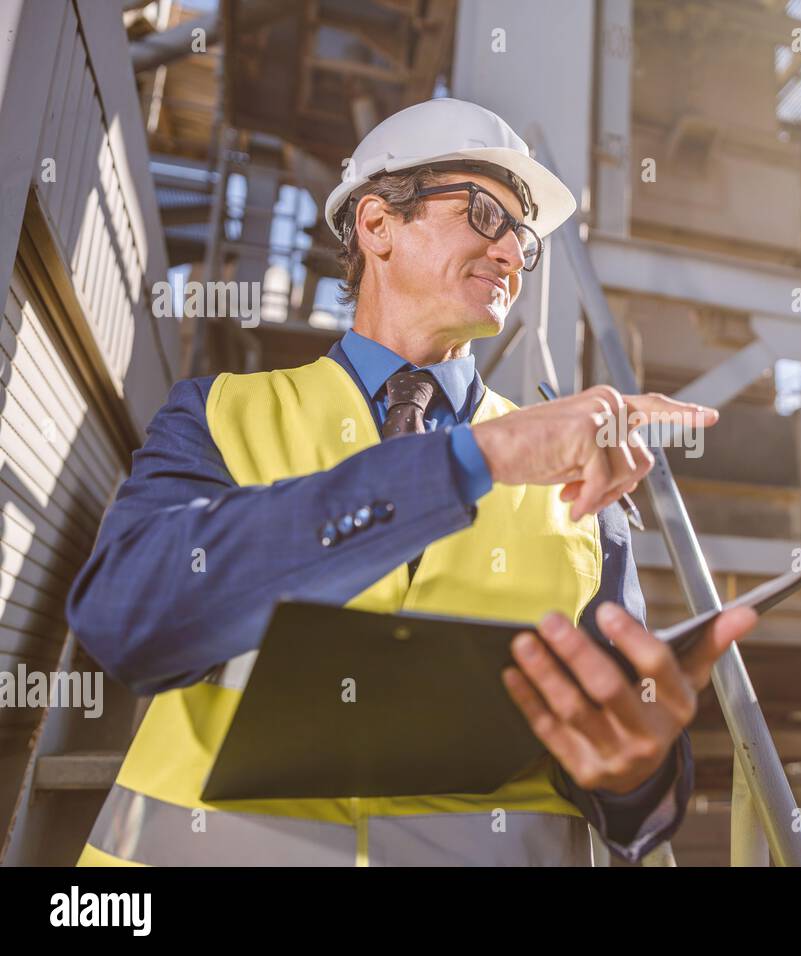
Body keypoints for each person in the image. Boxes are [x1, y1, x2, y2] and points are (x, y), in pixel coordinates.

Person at [66, 98, 758, 866]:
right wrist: (472, 460)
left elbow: (618, 765)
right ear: (377, 225)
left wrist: (637, 767)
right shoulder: (222, 414)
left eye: (524, 240)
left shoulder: (587, 483)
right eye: (487, 215)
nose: (511, 256)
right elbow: (127, 621)